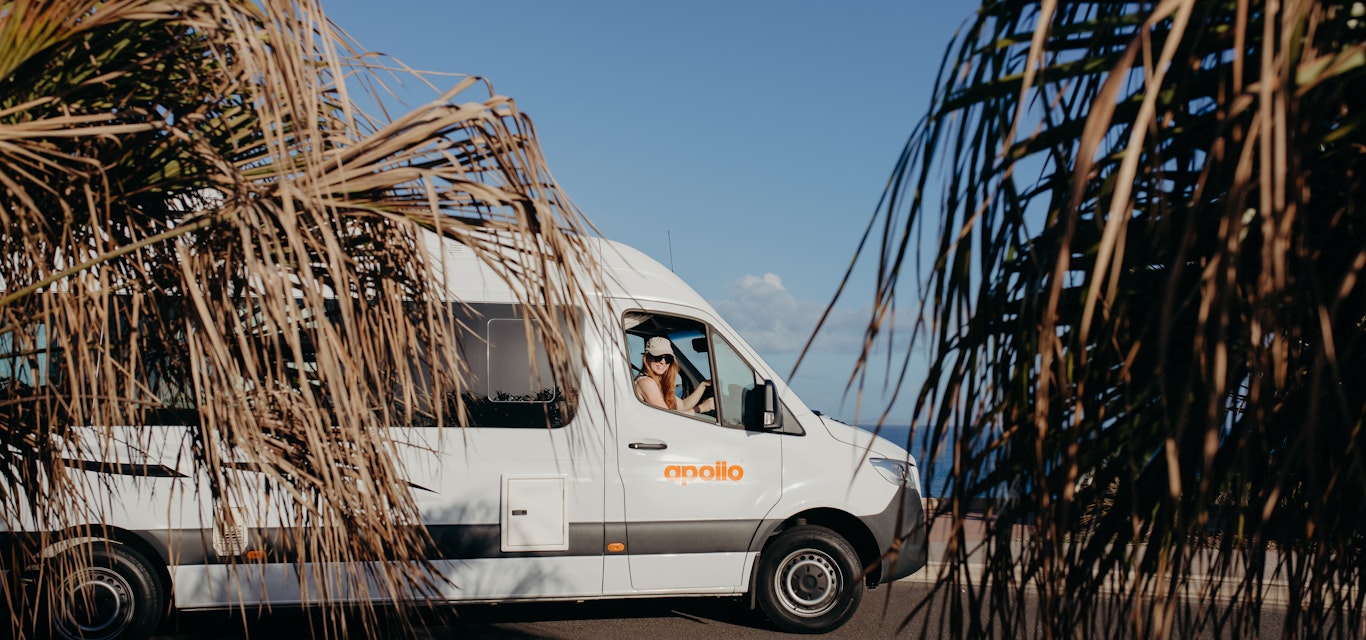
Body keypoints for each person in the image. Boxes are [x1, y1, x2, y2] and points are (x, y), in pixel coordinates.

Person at [634, 336, 715, 415]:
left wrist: (703, 385)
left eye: (668, 359)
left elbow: (683, 406)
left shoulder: (657, 383)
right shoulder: (646, 382)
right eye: (658, 357)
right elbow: (667, 416)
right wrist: (701, 408)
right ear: (647, 358)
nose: (663, 362)